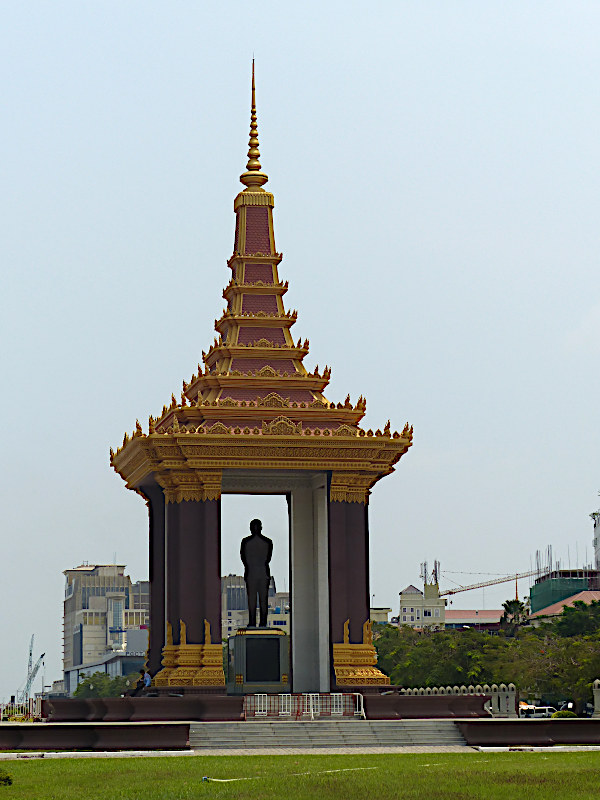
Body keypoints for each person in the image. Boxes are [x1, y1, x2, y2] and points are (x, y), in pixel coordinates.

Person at [240, 518, 273, 628]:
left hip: (251, 572)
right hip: (263, 572)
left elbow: (243, 557)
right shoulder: (268, 542)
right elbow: (268, 558)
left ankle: (252, 622)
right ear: (261, 527)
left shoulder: (245, 542)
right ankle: (263, 623)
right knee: (263, 600)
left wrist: (249, 566)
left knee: (252, 600)